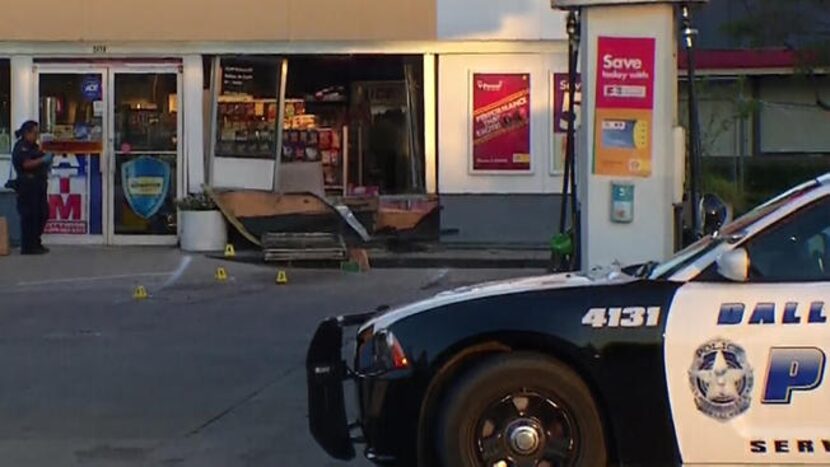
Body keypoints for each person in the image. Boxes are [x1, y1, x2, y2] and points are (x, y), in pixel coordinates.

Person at [11, 120, 52, 255]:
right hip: (27, 186)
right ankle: (28, 246)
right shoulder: (21, 147)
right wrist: (43, 160)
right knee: (30, 216)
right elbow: (26, 164)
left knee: (42, 213)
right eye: (34, 133)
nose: (36, 136)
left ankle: (36, 242)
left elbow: (39, 156)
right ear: (27, 133)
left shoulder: (33, 146)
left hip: (38, 185)